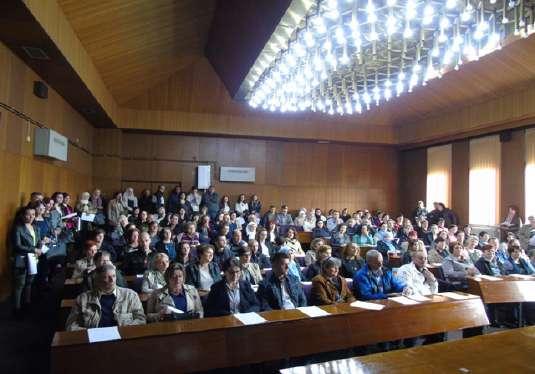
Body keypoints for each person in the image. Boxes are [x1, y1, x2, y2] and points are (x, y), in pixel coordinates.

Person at [65, 264, 146, 330]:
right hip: (94, 341)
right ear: (98, 279)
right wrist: (90, 333)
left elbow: (141, 320)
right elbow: (71, 325)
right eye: (106, 277)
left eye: (113, 276)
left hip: (123, 337)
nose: (112, 280)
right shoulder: (83, 299)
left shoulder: (131, 295)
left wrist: (124, 330)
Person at [12, 207, 42, 315]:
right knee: (20, 284)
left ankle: (27, 303)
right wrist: (34, 249)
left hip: (33, 258)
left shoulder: (35, 227)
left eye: (33, 214)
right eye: (28, 215)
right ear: (23, 215)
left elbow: (39, 241)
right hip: (22, 259)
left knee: (29, 282)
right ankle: (17, 308)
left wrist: (39, 247)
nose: (31, 217)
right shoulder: (18, 228)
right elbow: (17, 246)